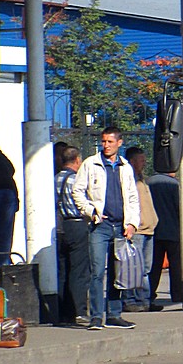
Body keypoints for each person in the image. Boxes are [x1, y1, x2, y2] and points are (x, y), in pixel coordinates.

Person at [72, 126, 140, 330]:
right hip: (100, 225)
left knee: (118, 272)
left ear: (119, 143)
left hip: (120, 226)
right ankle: (95, 317)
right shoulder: (91, 164)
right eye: (104, 141)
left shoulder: (125, 167)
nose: (106, 145)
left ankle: (114, 314)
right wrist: (90, 211)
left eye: (110, 142)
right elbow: (78, 191)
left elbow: (132, 197)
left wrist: (132, 223)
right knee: (97, 271)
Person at [54, 145, 91, 326]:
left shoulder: (55, 179)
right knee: (79, 270)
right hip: (77, 224)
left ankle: (62, 311)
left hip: (60, 227)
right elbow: (82, 204)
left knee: (62, 270)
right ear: (77, 160)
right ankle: (79, 310)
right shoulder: (76, 180)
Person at [122, 147, 159, 312]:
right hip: (137, 230)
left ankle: (144, 299)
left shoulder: (142, 179)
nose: (144, 163)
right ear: (132, 161)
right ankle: (131, 300)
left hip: (148, 229)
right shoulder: (128, 180)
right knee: (134, 268)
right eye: (141, 160)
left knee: (145, 268)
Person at [147, 169, 182, 306]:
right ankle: (178, 294)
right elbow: (180, 207)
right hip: (173, 230)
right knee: (176, 265)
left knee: (153, 266)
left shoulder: (147, 183)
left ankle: (150, 293)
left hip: (154, 231)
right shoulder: (175, 185)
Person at [0, 140, 20, 270]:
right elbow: (11, 169)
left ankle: (0, 268)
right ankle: (2, 269)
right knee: (4, 235)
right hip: (8, 192)